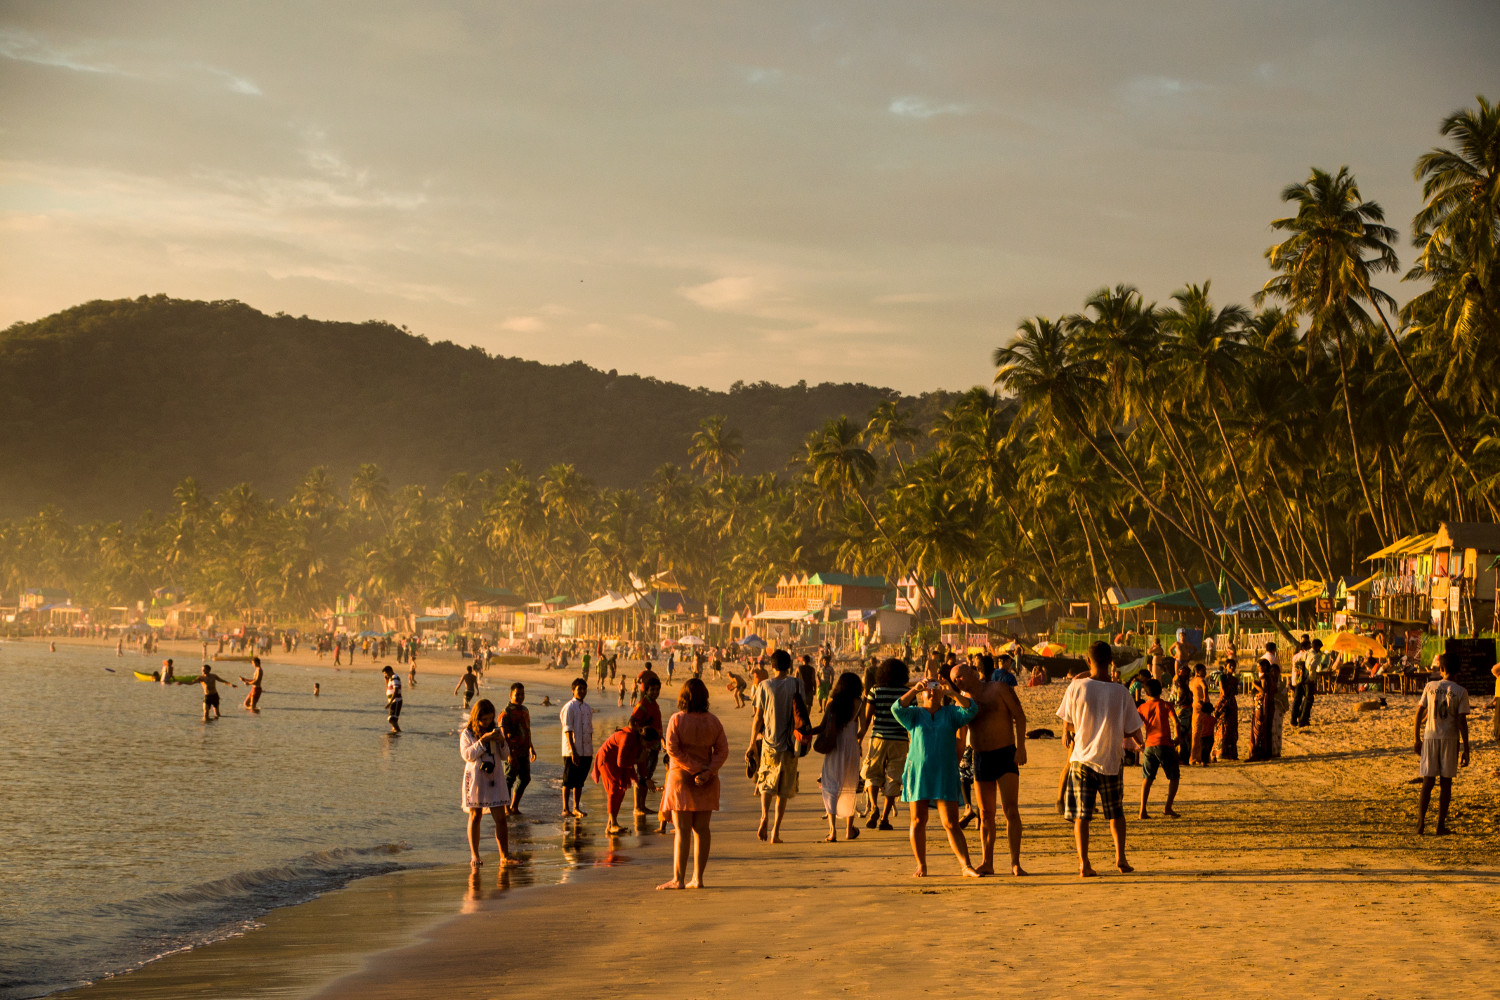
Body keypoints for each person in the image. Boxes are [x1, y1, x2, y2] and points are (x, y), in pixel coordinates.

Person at [1055, 641, 1143, 877]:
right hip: (1111, 760)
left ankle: (1084, 863)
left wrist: (1069, 731)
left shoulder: (1076, 687)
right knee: (1116, 813)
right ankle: (1121, 858)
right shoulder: (1121, 692)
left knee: (1082, 816)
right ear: (1111, 661)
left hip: (1082, 758)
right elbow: (1132, 729)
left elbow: (1068, 720)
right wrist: (1139, 742)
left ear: (1087, 660)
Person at [893, 673, 980, 878]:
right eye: (928, 689)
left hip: (945, 773)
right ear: (923, 694)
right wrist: (915, 689)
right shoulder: (913, 714)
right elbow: (896, 708)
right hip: (919, 773)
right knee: (917, 820)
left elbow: (972, 709)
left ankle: (966, 865)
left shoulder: (951, 714)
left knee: (951, 823)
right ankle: (921, 865)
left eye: (936, 688)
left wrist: (952, 691)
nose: (932, 691)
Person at [951, 660, 1028, 876]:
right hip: (981, 757)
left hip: (1005, 753)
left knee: (1010, 809)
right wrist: (955, 762)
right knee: (986, 813)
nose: (958, 680)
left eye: (961, 675)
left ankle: (1015, 862)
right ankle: (987, 862)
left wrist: (1021, 747)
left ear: (973, 672)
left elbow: (1019, 716)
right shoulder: (963, 701)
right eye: (954, 679)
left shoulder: (999, 688)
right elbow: (960, 734)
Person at [657, 678, 729, 890]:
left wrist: (694, 768)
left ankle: (678, 879)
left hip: (681, 778)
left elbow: (672, 750)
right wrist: (707, 770)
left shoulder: (677, 719)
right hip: (706, 780)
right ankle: (698, 878)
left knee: (682, 830)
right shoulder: (713, 721)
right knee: (702, 829)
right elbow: (722, 751)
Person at [747, 649, 802, 843]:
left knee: (766, 784)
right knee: (783, 790)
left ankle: (764, 816)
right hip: (789, 744)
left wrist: (752, 743)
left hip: (769, 744)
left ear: (772, 665)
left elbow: (757, 717)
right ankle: (775, 833)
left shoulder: (763, 686)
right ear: (789, 665)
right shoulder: (796, 684)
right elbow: (803, 712)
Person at [1414, 655, 1470, 835]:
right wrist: (1466, 747)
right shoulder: (1461, 691)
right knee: (1446, 783)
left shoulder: (1430, 687)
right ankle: (1440, 825)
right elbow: (1461, 721)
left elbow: (1419, 714)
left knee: (1427, 782)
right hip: (1449, 739)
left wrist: (1416, 738)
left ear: (1442, 670)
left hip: (1430, 737)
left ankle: (1421, 824)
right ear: (1458, 671)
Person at [460, 699, 517, 866]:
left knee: (501, 818)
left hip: (495, 777)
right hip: (476, 778)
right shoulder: (467, 733)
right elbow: (467, 755)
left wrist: (501, 740)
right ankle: (475, 855)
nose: (486, 723)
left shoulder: (496, 730)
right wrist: (483, 740)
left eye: (489, 719)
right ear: (476, 718)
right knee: (475, 815)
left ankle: (504, 856)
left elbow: (505, 755)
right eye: (483, 720)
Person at [859, 657, 910, 831]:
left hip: (878, 738)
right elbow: (912, 719)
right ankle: (884, 819)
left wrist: (860, 738)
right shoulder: (906, 692)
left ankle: (873, 806)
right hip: (900, 739)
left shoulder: (875, 690)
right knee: (893, 778)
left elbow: (867, 718)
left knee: (872, 774)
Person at [814, 671, 864, 842]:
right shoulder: (859, 703)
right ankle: (849, 830)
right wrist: (858, 740)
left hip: (835, 745)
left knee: (830, 784)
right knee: (850, 784)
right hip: (852, 746)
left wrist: (806, 731)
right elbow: (863, 727)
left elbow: (822, 727)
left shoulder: (832, 703)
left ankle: (832, 830)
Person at [1137, 678, 1180, 818]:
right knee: (1174, 777)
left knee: (1147, 779)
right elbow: (1175, 722)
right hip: (1164, 744)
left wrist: (1139, 743)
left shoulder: (1142, 708)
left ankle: (1142, 810)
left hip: (1149, 745)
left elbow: (1133, 726)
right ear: (1161, 691)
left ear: (1146, 693)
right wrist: (1177, 737)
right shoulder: (1166, 705)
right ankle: (1167, 807)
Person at [593, 722, 645, 834]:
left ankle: (610, 825)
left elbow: (640, 763)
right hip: (606, 759)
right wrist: (638, 760)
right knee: (613, 789)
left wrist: (643, 779)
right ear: (644, 738)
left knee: (622, 790)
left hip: (618, 760)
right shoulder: (627, 737)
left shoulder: (640, 743)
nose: (649, 747)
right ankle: (613, 824)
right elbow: (621, 762)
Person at [501, 683, 536, 815]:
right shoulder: (506, 713)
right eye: (517, 694)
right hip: (512, 752)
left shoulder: (525, 710)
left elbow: (527, 730)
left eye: (522, 694)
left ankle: (514, 806)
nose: (520, 697)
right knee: (508, 779)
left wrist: (531, 747)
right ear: (511, 696)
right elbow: (503, 736)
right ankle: (506, 808)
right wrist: (508, 753)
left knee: (525, 778)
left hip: (524, 751)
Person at [630, 677, 664, 816]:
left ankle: (642, 806)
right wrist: (640, 738)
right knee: (642, 776)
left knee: (647, 775)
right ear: (646, 690)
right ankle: (638, 806)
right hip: (646, 747)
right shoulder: (643, 703)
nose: (655, 692)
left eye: (657, 690)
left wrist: (662, 740)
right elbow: (632, 721)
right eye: (652, 690)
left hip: (654, 746)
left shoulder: (654, 704)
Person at [560, 678, 594, 817]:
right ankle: (565, 808)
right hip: (571, 751)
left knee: (580, 781)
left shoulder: (587, 708)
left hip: (586, 750)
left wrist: (590, 750)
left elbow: (590, 730)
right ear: (573, 690)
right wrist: (573, 751)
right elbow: (567, 730)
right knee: (568, 780)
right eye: (579, 689)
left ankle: (576, 807)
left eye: (584, 689)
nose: (582, 691)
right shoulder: (569, 707)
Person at [1246, 657, 1278, 762]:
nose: (1258, 668)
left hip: (1262, 705)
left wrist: (1255, 684)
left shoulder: (1264, 677)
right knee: (1266, 729)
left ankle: (1256, 753)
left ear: (1264, 666)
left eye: (1260, 666)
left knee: (1258, 728)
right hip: (1269, 705)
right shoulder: (1272, 677)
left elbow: (1263, 691)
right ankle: (1266, 752)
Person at [1189, 664, 1213, 765]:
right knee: (1200, 732)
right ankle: (1196, 757)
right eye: (1203, 671)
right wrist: (1205, 699)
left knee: (1196, 731)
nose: (1205, 672)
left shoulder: (1191, 681)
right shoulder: (1200, 680)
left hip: (1195, 705)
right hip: (1201, 706)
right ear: (1197, 671)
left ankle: (1195, 756)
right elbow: (1205, 687)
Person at [1214, 667, 1239, 761]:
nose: (1232, 668)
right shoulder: (1222, 677)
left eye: (1233, 665)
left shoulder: (1235, 679)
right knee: (1222, 726)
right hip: (1224, 702)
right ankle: (1221, 752)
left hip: (1231, 703)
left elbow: (1235, 692)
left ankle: (1230, 753)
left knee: (1231, 727)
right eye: (1230, 666)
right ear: (1226, 667)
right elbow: (1223, 692)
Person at [1290, 637, 1314, 729]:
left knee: (1297, 700)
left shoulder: (1295, 656)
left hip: (1296, 680)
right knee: (1307, 699)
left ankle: (1293, 719)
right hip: (1302, 680)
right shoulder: (1305, 655)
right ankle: (1301, 717)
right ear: (1304, 647)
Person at [382, 665, 403, 734]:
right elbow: (388, 688)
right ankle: (395, 735)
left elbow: (396, 690)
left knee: (391, 719)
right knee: (394, 720)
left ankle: (399, 732)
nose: (385, 675)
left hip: (396, 701)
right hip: (393, 701)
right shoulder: (391, 678)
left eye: (385, 673)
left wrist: (390, 702)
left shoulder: (395, 678)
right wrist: (386, 679)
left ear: (390, 671)